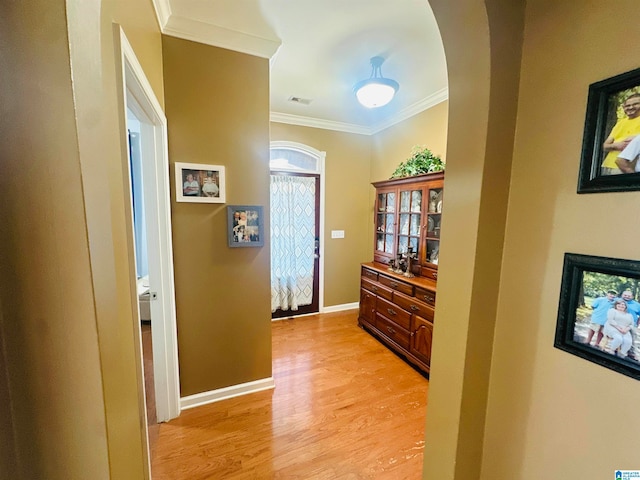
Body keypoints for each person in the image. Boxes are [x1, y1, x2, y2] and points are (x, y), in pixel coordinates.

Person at [601, 93, 640, 175]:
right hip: (607, 165)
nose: (631, 107)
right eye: (627, 105)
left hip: (626, 166)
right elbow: (605, 146)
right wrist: (616, 145)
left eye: (635, 104)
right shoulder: (620, 123)